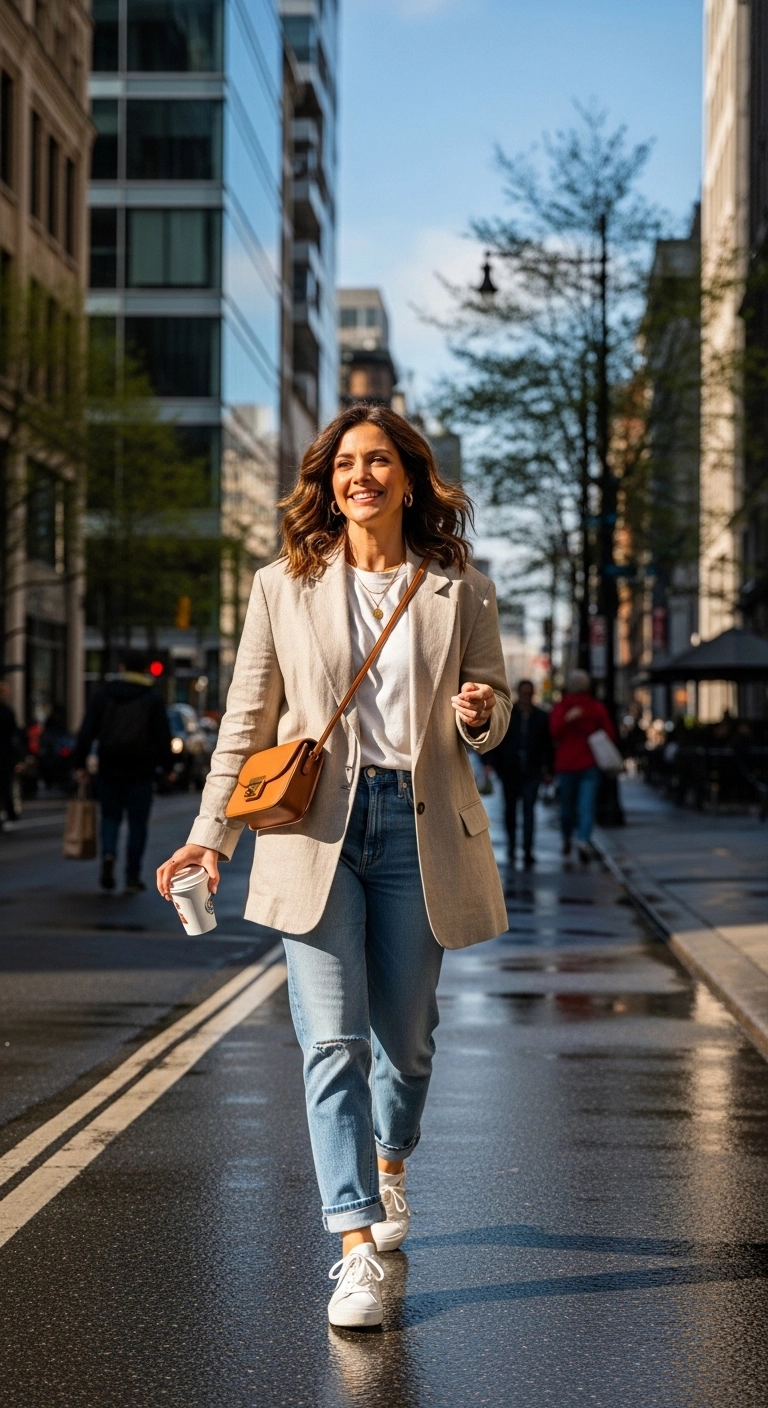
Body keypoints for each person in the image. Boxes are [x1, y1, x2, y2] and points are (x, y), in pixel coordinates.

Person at [157, 405, 511, 1330]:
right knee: (330, 1042)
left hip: (419, 826)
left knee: (408, 1039)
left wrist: (479, 711)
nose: (362, 476)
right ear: (329, 480)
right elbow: (245, 719)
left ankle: (390, 1167)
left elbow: (495, 704)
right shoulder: (283, 584)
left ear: (408, 476)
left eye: (380, 461)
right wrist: (209, 836)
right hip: (313, 830)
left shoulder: (458, 584)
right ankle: (352, 1243)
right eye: (346, 463)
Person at [74, 649, 173, 893]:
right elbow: (163, 736)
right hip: (141, 770)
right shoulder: (152, 697)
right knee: (138, 823)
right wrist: (168, 767)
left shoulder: (104, 694)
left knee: (110, 817)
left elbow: (87, 731)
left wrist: (80, 763)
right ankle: (132, 876)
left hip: (109, 767)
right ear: (144, 669)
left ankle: (108, 854)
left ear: (121, 668)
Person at [549, 668, 617, 863]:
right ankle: (583, 840)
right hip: (590, 763)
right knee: (586, 806)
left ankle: (566, 837)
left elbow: (554, 733)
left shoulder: (562, 708)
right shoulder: (596, 708)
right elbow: (609, 734)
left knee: (566, 806)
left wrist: (567, 720)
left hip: (566, 764)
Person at [486, 678, 553, 867]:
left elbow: (547, 745)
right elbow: (496, 740)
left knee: (529, 811)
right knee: (511, 811)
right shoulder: (508, 714)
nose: (526, 696)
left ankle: (527, 849)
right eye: (523, 693)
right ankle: (512, 846)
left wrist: (548, 770)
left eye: (529, 693)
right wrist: (492, 763)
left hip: (532, 772)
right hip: (510, 772)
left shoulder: (541, 716)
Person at [0, 680, 22, 830]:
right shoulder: (7, 712)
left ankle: (9, 812)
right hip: (4, 755)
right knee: (5, 785)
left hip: (5, 754)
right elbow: (14, 737)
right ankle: (9, 812)